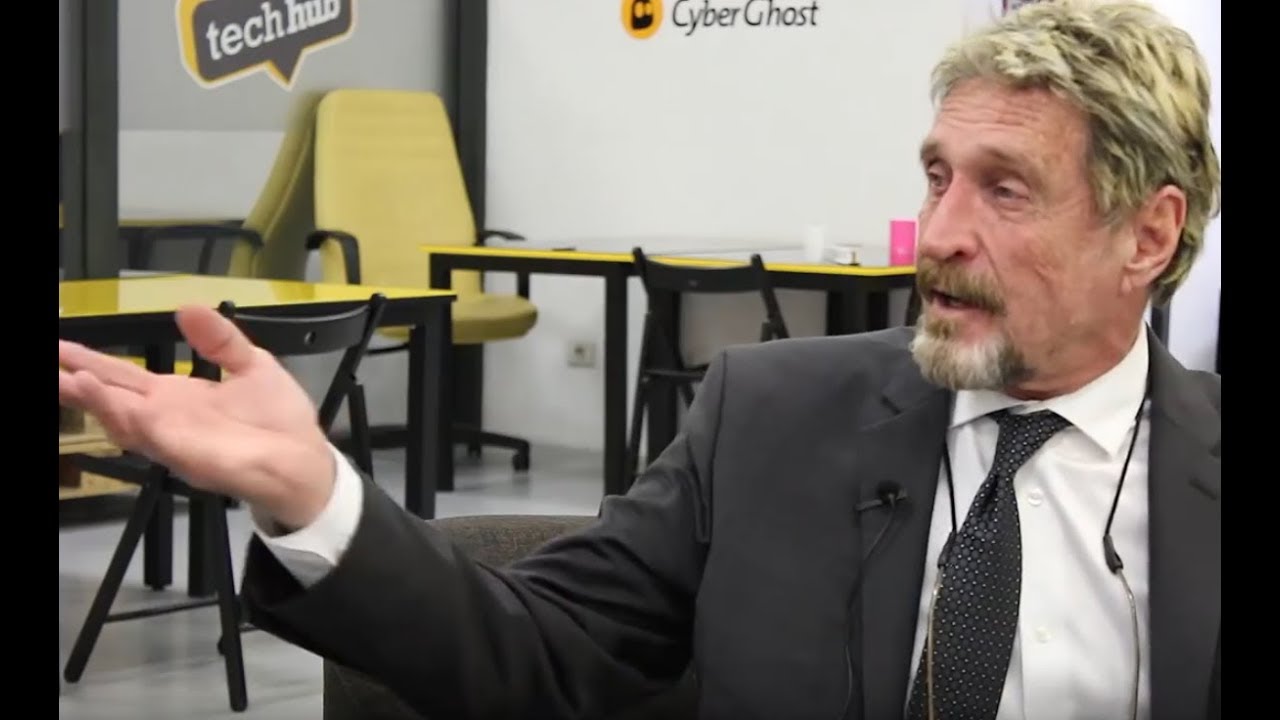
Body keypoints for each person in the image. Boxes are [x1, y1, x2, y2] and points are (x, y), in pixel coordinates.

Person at [57, 1, 1220, 718]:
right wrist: (315, 494)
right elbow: (534, 651)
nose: (941, 231)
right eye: (934, 176)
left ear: (1147, 235)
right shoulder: (768, 415)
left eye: (1004, 189)